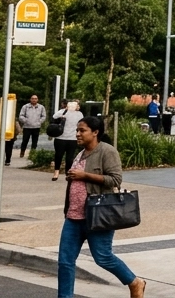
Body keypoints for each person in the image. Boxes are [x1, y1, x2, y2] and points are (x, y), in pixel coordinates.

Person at [56, 116, 146, 298]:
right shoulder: (80, 153)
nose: (78, 134)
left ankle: (135, 282)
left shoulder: (107, 151)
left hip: (97, 216)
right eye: (77, 130)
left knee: (103, 257)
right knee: (65, 262)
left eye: (82, 130)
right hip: (73, 216)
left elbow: (115, 179)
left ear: (95, 132)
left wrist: (84, 176)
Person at [51, 99, 82, 182]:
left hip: (73, 138)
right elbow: (54, 117)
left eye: (76, 105)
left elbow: (82, 123)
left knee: (70, 158)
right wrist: (65, 111)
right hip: (60, 137)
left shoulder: (79, 114)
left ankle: (68, 173)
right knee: (58, 155)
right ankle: (56, 172)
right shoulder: (63, 111)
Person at [15, 94, 45, 163]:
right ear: (30, 99)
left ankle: (32, 153)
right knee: (25, 140)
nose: (34, 100)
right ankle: (22, 152)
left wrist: (39, 122)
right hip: (27, 127)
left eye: (35, 98)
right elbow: (21, 116)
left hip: (36, 127)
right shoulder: (25, 107)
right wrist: (26, 121)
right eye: (32, 98)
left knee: (35, 141)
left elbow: (43, 116)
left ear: (37, 99)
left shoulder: (41, 107)